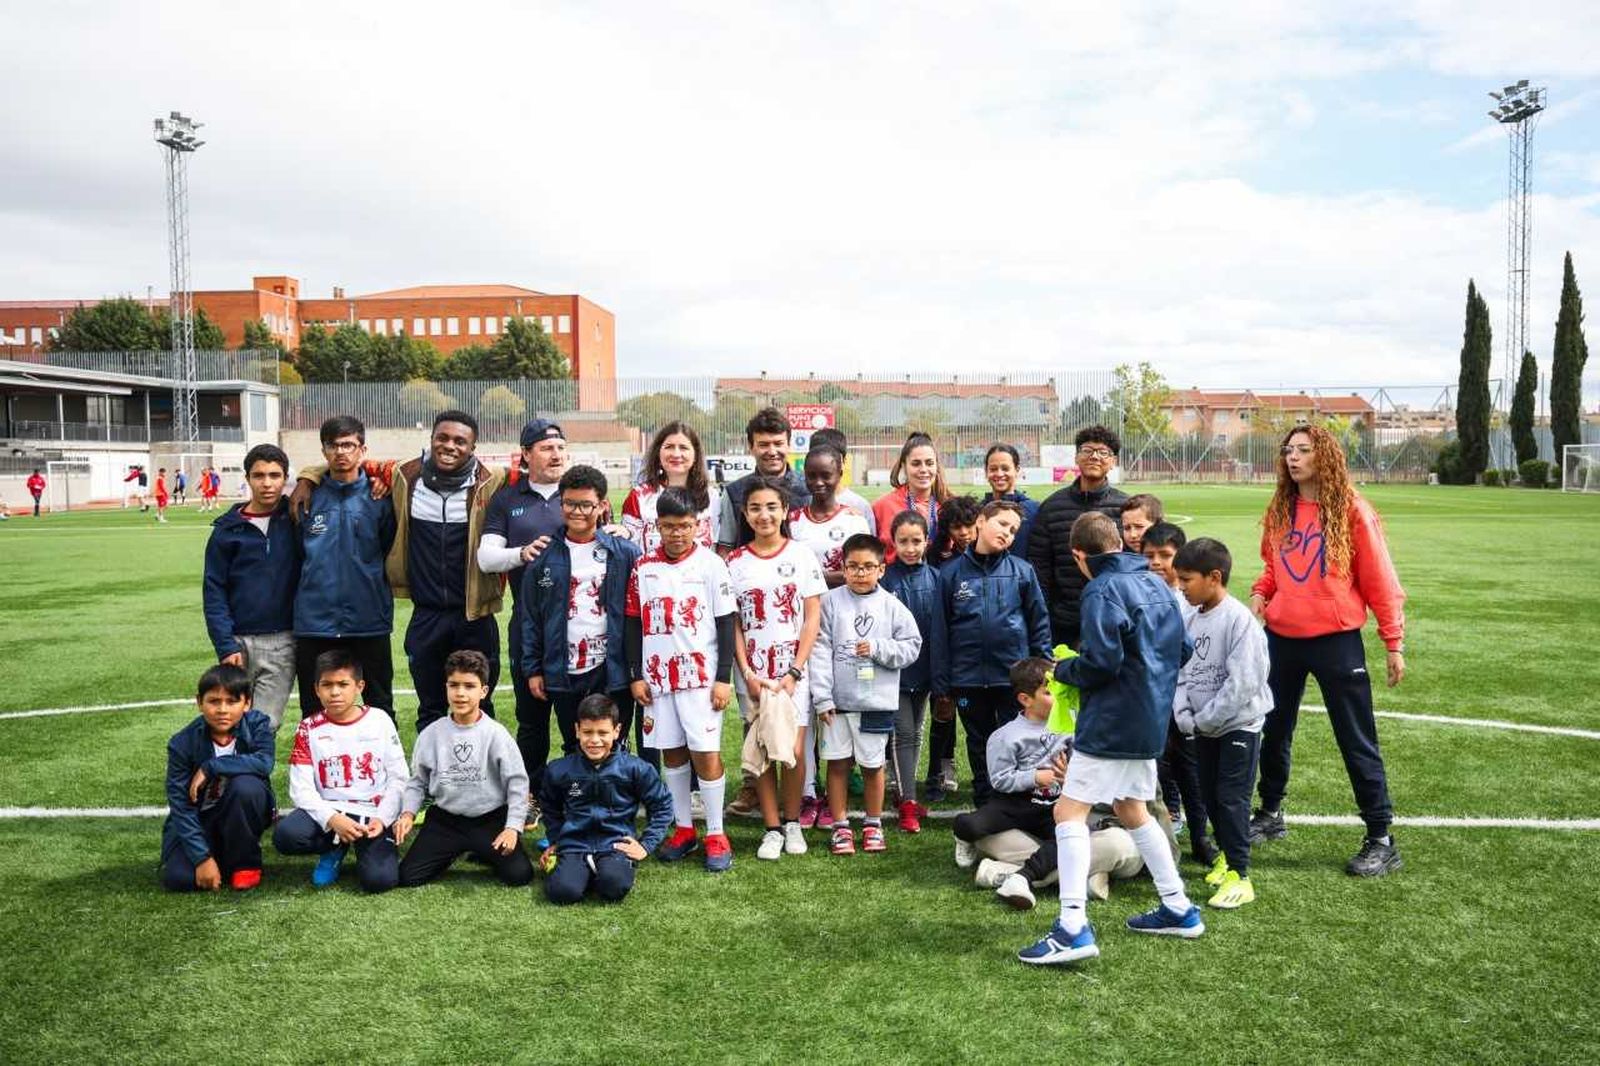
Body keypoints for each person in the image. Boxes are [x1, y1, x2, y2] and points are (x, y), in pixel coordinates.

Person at [1017, 512, 1198, 967]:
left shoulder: (1102, 588)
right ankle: (1178, 906)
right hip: (1150, 717)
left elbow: (1101, 662)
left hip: (1113, 720)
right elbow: (1183, 649)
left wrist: (1064, 669)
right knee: (1132, 808)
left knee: (1068, 812)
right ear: (1118, 541)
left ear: (1079, 555)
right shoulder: (1157, 582)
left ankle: (1072, 928)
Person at [1248, 424, 1407, 877]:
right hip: (1282, 638)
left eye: (1303, 450)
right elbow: (1273, 567)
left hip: (1337, 641)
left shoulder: (1353, 510)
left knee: (1355, 738)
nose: (1292, 457)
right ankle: (1270, 813)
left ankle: (1381, 838)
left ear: (1326, 457)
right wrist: (1261, 592)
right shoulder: (1281, 508)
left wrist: (1393, 642)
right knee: (1273, 730)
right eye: (1288, 450)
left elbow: (1380, 579)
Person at [626, 486, 740, 872]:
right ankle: (685, 828)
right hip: (657, 679)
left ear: (697, 525)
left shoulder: (712, 565)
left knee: (705, 753)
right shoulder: (642, 567)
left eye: (685, 526)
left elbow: (725, 623)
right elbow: (632, 624)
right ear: (657, 525)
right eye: (669, 526)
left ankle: (716, 833)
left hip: (701, 679)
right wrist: (636, 674)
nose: (677, 533)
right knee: (671, 752)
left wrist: (723, 678)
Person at [932, 500, 1052, 809]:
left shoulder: (1022, 572)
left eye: (1013, 530)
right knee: (979, 741)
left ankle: (1019, 801)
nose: (1007, 533)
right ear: (981, 522)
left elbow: (1039, 624)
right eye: (1002, 524)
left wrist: (1044, 671)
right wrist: (942, 684)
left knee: (1018, 739)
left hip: (1012, 679)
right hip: (968, 679)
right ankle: (986, 802)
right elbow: (940, 631)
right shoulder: (950, 574)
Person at [809, 534, 922, 857]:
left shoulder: (892, 606)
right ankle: (840, 826)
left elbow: (912, 646)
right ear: (843, 568)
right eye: (853, 567)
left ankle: (873, 824)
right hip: (838, 704)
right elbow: (819, 650)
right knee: (838, 765)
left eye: (868, 567)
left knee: (873, 766)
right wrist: (822, 697)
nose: (860, 573)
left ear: (881, 569)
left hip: (875, 703)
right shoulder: (830, 602)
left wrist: (877, 648)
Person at [521, 465, 642, 765]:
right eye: (570, 504)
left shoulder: (624, 553)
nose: (577, 512)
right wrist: (533, 669)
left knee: (614, 746)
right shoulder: (543, 556)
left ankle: (615, 794)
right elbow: (530, 618)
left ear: (602, 506)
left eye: (586, 505)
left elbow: (637, 616)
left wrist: (635, 670)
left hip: (612, 670)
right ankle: (577, 795)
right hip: (564, 671)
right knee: (575, 744)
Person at [1173, 538, 1271, 909]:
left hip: (1237, 727)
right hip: (1202, 727)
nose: (1181, 587)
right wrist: (1185, 715)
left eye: (1187, 579)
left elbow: (1243, 682)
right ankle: (1228, 858)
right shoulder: (1190, 618)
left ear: (1214, 577)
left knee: (1231, 798)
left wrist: (1207, 719)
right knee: (1210, 795)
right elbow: (1179, 671)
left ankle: (1241, 876)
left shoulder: (1239, 621)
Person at [478, 418, 570, 810]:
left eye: (560, 447)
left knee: (577, 717)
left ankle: (575, 794)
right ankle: (529, 793)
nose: (556, 455)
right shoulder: (507, 500)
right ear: (526, 455)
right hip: (529, 625)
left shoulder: (579, 491)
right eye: (547, 448)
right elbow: (486, 558)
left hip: (579, 627)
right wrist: (521, 553)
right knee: (531, 718)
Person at [727, 477, 826, 836]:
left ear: (785, 511)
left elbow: (812, 616)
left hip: (793, 674)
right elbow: (735, 623)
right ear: (745, 513)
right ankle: (772, 828)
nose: (764, 515)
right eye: (755, 508)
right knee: (764, 749)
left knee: (794, 751)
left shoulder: (801, 555)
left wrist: (795, 671)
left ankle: (792, 822)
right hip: (754, 676)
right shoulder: (734, 562)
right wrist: (747, 672)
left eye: (771, 507)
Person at [395, 650, 534, 889]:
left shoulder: (496, 734)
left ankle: (482, 850)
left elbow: (517, 784)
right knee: (408, 877)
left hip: (489, 819)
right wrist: (407, 814)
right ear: (446, 688)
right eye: (454, 685)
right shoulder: (432, 734)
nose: (460, 693)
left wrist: (512, 828)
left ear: (483, 691)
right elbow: (417, 781)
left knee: (519, 875)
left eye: (469, 686)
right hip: (446, 821)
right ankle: (455, 849)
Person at [273, 650, 407, 892]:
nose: (334, 692)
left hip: (372, 813)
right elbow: (301, 788)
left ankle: (371, 847)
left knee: (379, 881)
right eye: (327, 685)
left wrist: (382, 818)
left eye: (343, 684)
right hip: (331, 810)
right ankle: (333, 847)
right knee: (286, 836)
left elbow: (399, 777)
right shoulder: (308, 727)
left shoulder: (380, 720)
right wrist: (332, 819)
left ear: (359, 686)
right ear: (316, 689)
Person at [291, 416, 398, 719]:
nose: (341, 452)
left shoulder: (381, 498)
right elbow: (298, 555)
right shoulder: (306, 498)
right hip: (315, 622)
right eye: (333, 445)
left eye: (349, 445)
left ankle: (382, 754)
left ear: (363, 450)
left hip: (368, 618)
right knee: (313, 709)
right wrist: (306, 479)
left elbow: (387, 548)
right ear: (323, 451)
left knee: (379, 704)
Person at [952, 658, 1071, 906]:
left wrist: (1069, 774)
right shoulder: (1005, 736)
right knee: (972, 826)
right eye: (1049, 693)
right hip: (1014, 804)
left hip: (1051, 806)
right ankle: (962, 836)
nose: (1058, 698)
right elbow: (999, 780)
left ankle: (1026, 875)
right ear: (1025, 699)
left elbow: (1080, 764)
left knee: (1069, 836)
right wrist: (1035, 777)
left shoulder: (1069, 727)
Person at [539, 694, 675, 904]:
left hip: (615, 844)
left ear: (617, 731)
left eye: (603, 733)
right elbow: (549, 807)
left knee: (614, 887)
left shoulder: (636, 768)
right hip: (574, 844)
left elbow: (663, 805)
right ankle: (577, 871)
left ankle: (604, 870)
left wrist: (645, 845)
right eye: (587, 732)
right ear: (577, 730)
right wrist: (557, 840)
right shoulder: (559, 769)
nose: (595, 740)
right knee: (563, 893)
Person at [202, 443, 301, 732]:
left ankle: (254, 765)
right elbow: (214, 591)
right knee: (229, 723)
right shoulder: (227, 530)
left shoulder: (296, 518)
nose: (267, 483)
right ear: (247, 478)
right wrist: (225, 644)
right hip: (237, 643)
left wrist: (308, 480)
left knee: (265, 724)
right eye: (259, 475)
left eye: (275, 475)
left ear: (286, 479)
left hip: (282, 641)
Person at [159, 664, 275, 892]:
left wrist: (211, 766)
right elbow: (181, 805)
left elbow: (264, 763)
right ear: (199, 702)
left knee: (246, 786)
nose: (222, 709)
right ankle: (216, 856)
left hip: (241, 812)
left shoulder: (257, 724)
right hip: (203, 821)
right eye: (214, 701)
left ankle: (245, 863)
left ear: (247, 703)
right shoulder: (182, 743)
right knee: (179, 879)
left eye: (232, 702)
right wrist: (202, 858)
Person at [1140, 520, 1208, 856]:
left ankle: (1201, 838)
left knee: (1191, 773)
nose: (1156, 562)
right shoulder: (1138, 593)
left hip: (1186, 701)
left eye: (1165, 555)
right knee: (1154, 769)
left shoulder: (1192, 601)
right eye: (1149, 555)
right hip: (1150, 699)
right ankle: (1161, 837)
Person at [1028, 425, 1130, 649]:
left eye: (1103, 452)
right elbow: (1039, 567)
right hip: (1063, 624)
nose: (1094, 456)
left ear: (1113, 461)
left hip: (1113, 620)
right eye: (1087, 450)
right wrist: (1045, 617)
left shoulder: (1125, 508)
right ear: (1076, 457)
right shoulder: (1052, 507)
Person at [881, 511, 941, 832]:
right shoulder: (885, 579)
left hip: (926, 669)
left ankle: (907, 794)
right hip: (895, 672)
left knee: (916, 732)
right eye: (903, 541)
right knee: (902, 734)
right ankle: (907, 801)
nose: (910, 548)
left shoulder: (937, 578)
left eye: (916, 541)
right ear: (893, 541)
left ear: (927, 541)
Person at [717, 406, 810, 552]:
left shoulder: (810, 488)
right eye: (764, 445)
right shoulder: (734, 492)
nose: (772, 452)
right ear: (751, 447)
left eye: (778, 444)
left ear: (789, 445)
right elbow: (725, 547)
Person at [621, 420, 721, 554]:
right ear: (658, 453)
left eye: (683, 447)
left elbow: (716, 546)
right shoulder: (638, 496)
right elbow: (629, 550)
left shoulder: (711, 496)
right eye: (669, 447)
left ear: (695, 455)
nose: (676, 454)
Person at [790, 445, 871, 588]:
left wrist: (810, 577)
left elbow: (862, 571)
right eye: (812, 476)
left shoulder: (855, 521)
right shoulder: (791, 521)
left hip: (844, 601)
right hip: (803, 601)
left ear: (840, 474)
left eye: (826, 475)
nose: (818, 482)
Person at [872, 432, 951, 564]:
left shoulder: (949, 506)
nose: (923, 469)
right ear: (904, 466)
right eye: (916, 464)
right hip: (894, 576)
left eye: (929, 463)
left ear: (936, 466)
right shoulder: (882, 507)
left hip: (941, 576)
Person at [810, 427, 876, 535]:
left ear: (844, 461)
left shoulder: (859, 505)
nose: (826, 463)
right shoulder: (802, 502)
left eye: (833, 457)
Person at [983, 444, 1041, 557]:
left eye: (1005, 468)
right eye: (993, 469)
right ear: (986, 471)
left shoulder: (1033, 510)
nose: (999, 474)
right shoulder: (978, 510)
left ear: (1016, 470)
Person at [930, 495, 981, 567]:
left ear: (979, 524)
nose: (964, 532)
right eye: (956, 527)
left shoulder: (993, 556)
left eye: (969, 525)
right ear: (947, 531)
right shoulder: (940, 563)